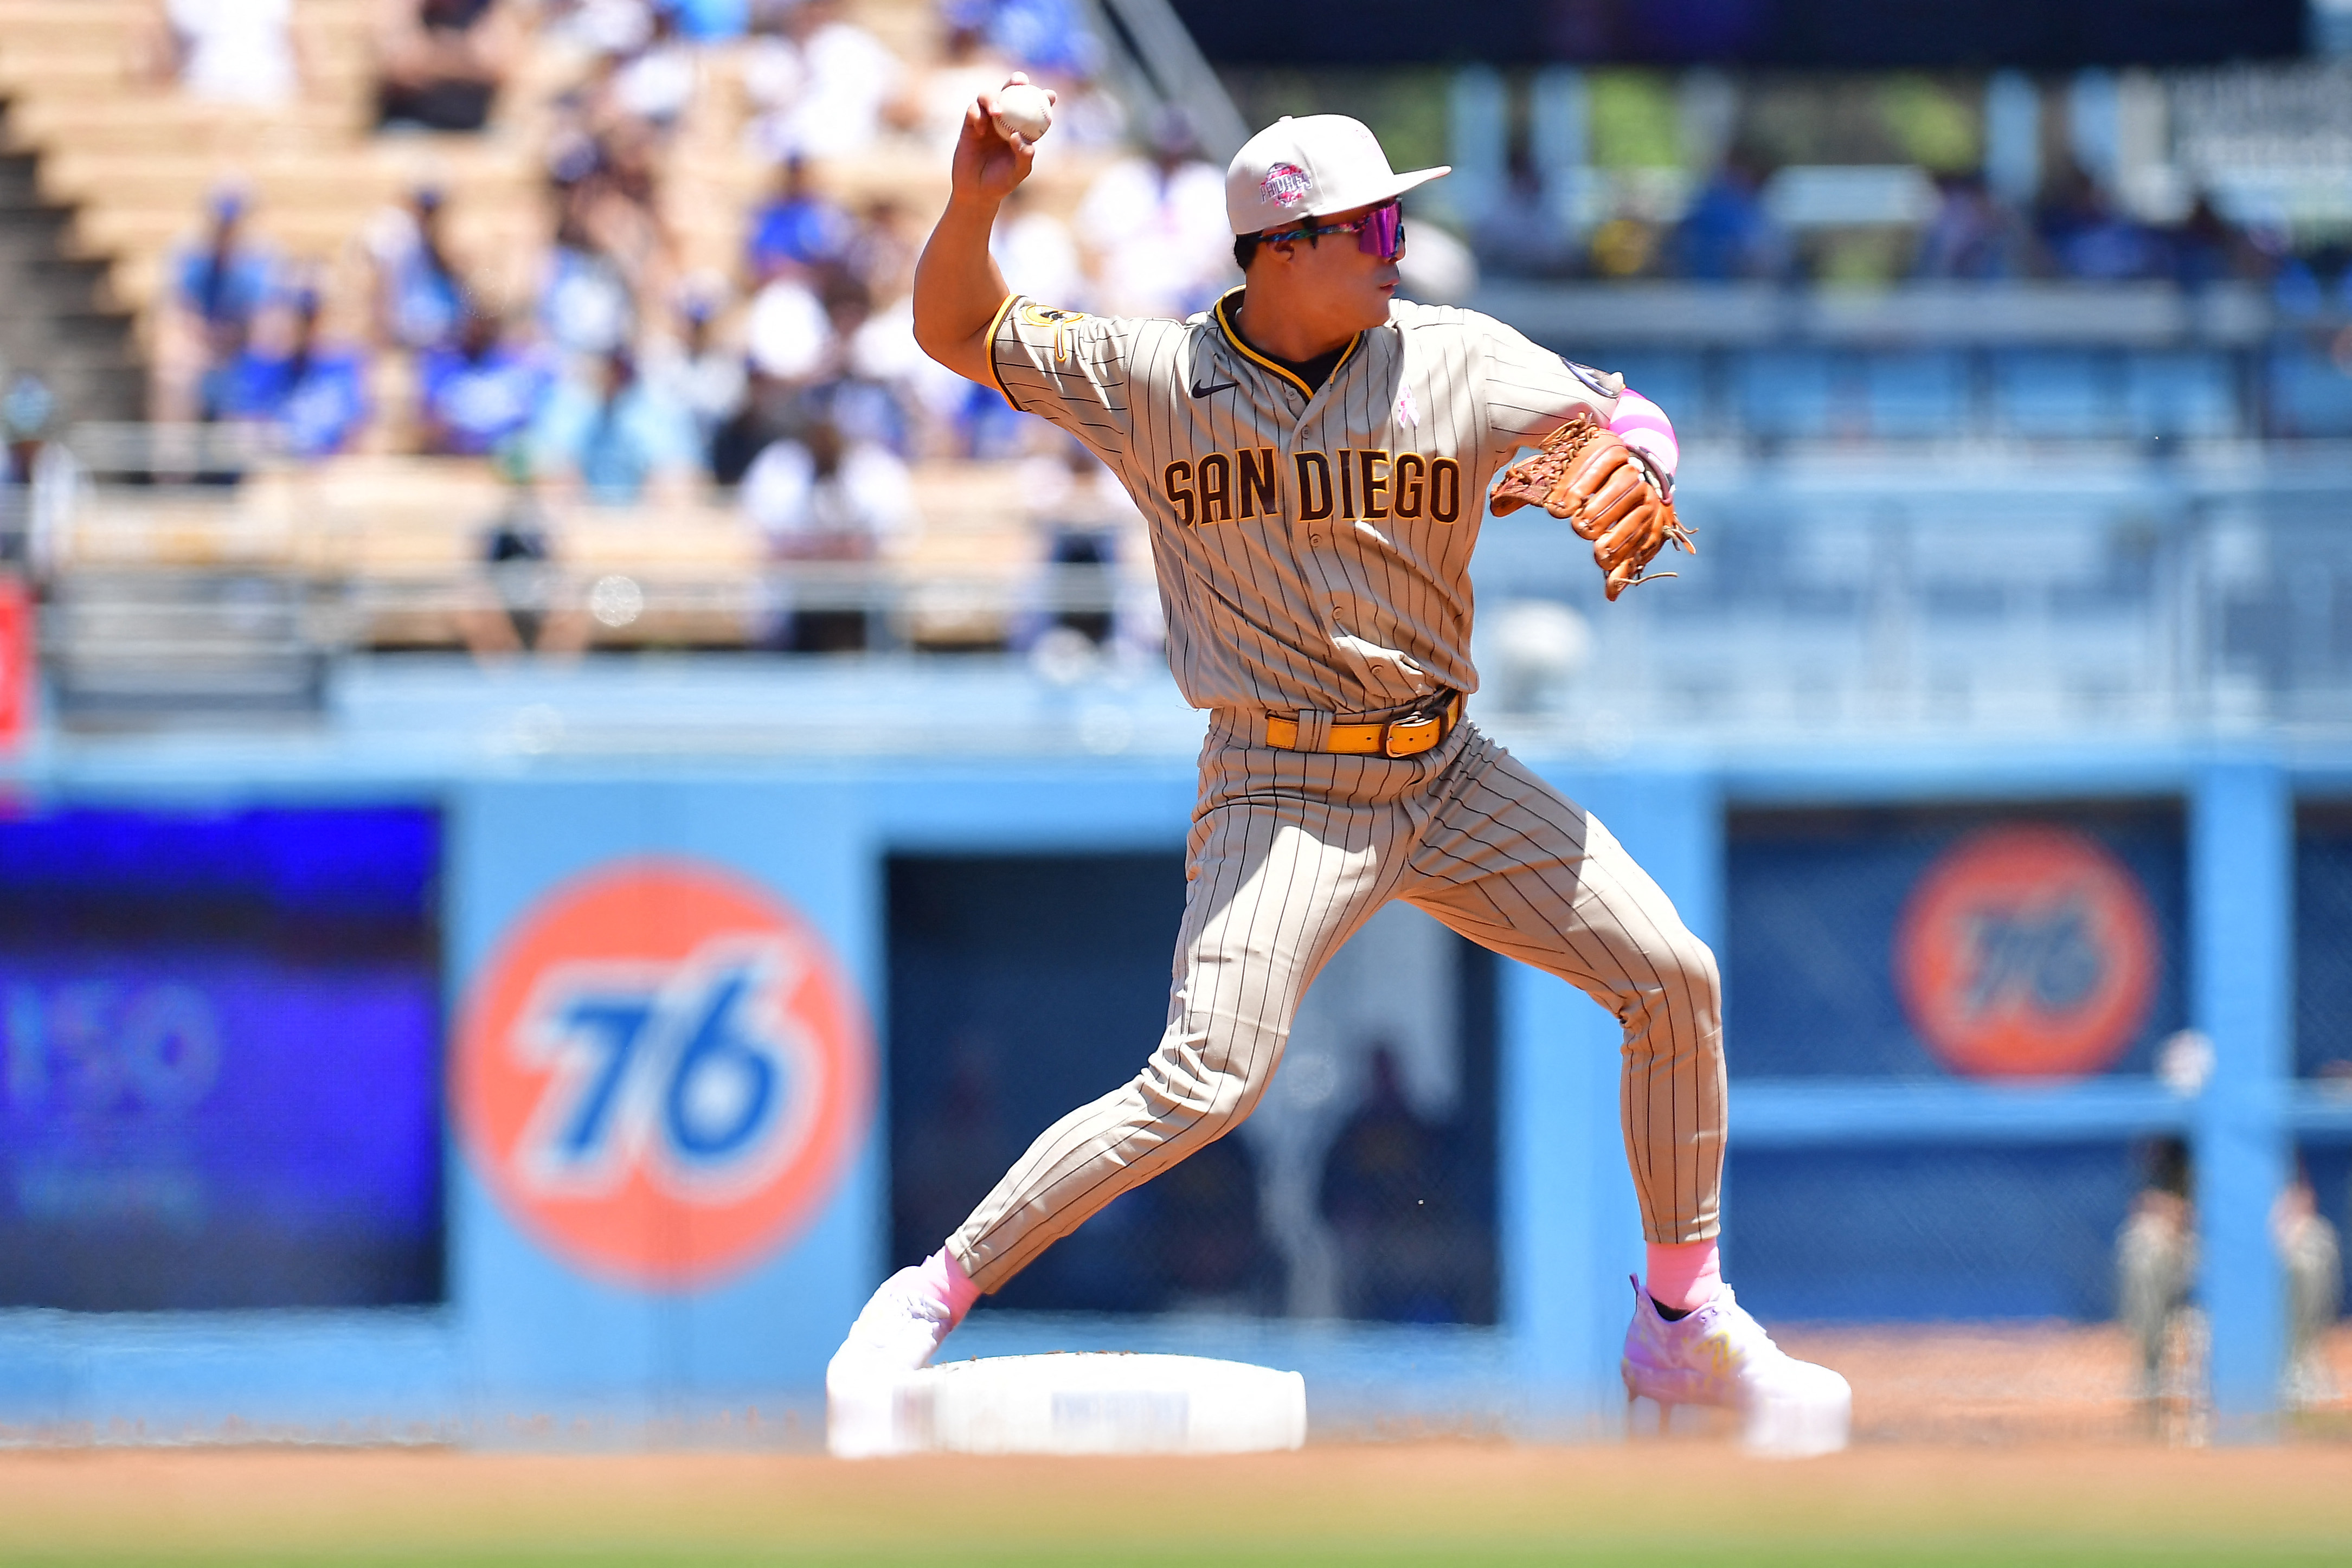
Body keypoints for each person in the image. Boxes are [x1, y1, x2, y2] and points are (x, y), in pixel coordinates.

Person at [823, 92, 1850, 1454]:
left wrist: (1638, 461)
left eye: (1394, 217)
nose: (1395, 242)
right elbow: (956, 329)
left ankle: (1679, 1329)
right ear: (1278, 247)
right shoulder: (1154, 379)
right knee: (1204, 1082)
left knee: (1671, 978)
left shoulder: (1454, 359)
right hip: (1278, 786)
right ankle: (927, 1293)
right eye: (1368, 223)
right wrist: (974, 201)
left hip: (1444, 768)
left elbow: (1623, 415)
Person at [374, 0, 522, 132]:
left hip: (477, 128)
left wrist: (431, 54)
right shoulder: (412, 6)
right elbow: (403, 65)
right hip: (410, 125)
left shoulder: (487, 7)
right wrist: (468, 56)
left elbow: (500, 66)